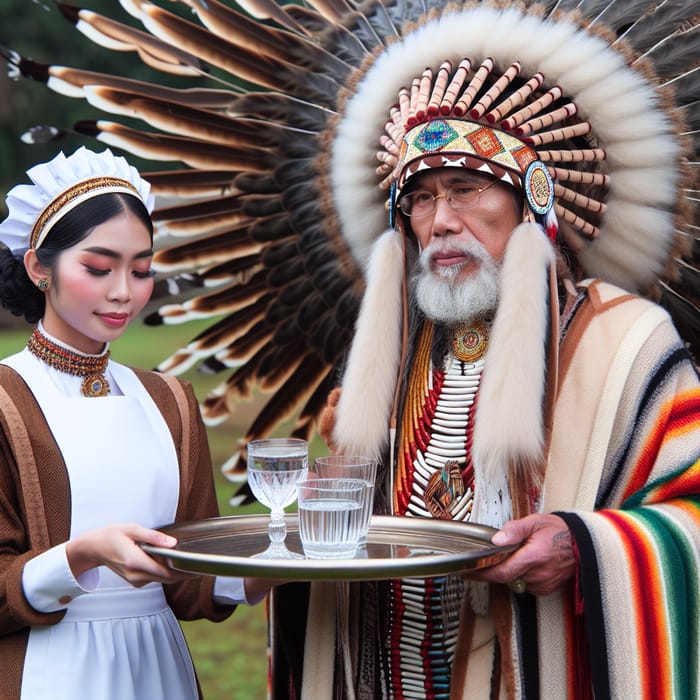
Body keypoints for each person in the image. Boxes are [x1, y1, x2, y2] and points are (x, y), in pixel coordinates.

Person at [266, 10, 700, 700]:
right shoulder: (399, 352)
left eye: (466, 190)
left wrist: (586, 547)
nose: (440, 222)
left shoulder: (628, 345)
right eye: (422, 200)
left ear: (531, 201)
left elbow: (690, 514)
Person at [0, 147, 269, 700]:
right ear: (38, 268)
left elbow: (191, 578)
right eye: (98, 268)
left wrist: (274, 566)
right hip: (48, 671)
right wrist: (81, 555)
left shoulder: (169, 399)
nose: (124, 291)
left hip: (159, 670)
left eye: (142, 270)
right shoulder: (5, 400)